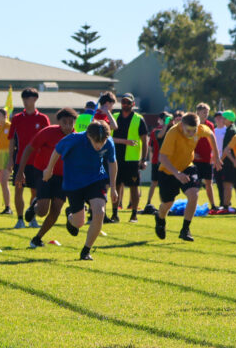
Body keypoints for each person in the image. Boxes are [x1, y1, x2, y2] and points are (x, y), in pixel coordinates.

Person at [42, 120, 116, 260]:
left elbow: (112, 163)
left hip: (96, 180)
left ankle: (86, 251)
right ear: (88, 136)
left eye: (103, 142)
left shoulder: (109, 142)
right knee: (79, 223)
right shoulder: (73, 139)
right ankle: (70, 216)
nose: (99, 146)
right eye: (96, 142)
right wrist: (49, 169)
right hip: (73, 183)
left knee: (100, 211)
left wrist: (113, 187)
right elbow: (57, 151)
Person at [155, 113, 222, 242]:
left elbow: (211, 135)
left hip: (187, 166)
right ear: (181, 125)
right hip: (169, 171)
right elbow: (162, 157)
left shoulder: (200, 129)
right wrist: (177, 174)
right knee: (167, 204)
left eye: (194, 131)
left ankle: (185, 230)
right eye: (188, 131)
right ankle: (160, 218)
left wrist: (217, 157)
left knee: (194, 195)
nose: (191, 134)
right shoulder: (173, 133)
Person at [19, 108, 76, 248]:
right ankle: (35, 206)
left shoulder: (77, 137)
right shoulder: (48, 132)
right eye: (65, 122)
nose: (68, 126)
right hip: (44, 173)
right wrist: (20, 171)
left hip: (63, 177)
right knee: (42, 211)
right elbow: (29, 148)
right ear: (59, 122)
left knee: (56, 209)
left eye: (71, 122)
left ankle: (38, 238)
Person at [8, 88, 49, 229]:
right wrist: (10, 159)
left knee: (35, 192)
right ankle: (20, 219)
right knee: (18, 189)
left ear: (35, 99)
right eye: (24, 98)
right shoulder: (17, 118)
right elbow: (11, 140)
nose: (25, 101)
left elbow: (48, 141)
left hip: (38, 163)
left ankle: (32, 218)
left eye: (28, 98)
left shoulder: (43, 119)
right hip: (20, 162)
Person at [109, 93, 148, 223]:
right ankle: (115, 214)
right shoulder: (114, 117)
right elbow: (108, 137)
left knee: (133, 186)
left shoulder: (138, 119)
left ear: (133, 104)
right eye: (123, 102)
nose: (125, 104)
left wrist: (144, 159)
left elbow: (144, 140)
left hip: (132, 159)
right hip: (116, 158)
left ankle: (134, 214)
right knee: (116, 185)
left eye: (128, 102)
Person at [193, 103, 219, 211]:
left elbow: (212, 140)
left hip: (207, 158)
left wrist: (214, 154)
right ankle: (193, 205)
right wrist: (192, 153)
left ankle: (213, 205)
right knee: (196, 183)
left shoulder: (210, 125)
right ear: (198, 112)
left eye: (207, 112)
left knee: (209, 182)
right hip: (195, 159)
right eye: (204, 112)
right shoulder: (193, 125)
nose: (206, 114)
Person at [143, 112, 171, 213]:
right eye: (165, 119)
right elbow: (160, 136)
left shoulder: (170, 130)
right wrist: (166, 124)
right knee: (154, 182)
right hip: (156, 161)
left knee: (165, 183)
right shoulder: (156, 130)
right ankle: (148, 202)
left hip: (167, 162)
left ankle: (164, 203)